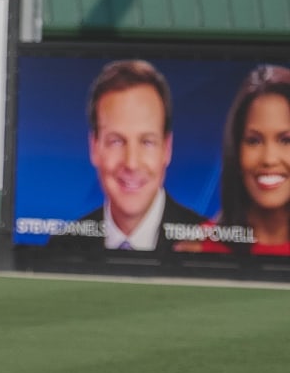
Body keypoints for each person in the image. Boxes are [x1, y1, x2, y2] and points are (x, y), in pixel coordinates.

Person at [46, 59, 206, 251]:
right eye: (116, 141)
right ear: (94, 147)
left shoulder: (208, 242)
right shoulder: (62, 247)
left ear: (167, 149)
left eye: (147, 142)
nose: (131, 163)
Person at [187, 64, 290, 256]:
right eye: (254, 141)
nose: (269, 159)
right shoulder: (197, 248)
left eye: (285, 140)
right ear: (236, 149)